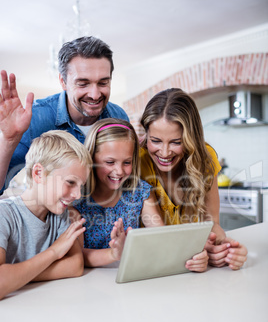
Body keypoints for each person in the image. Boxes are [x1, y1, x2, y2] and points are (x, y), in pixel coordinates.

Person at [70, 118, 209, 272]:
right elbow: (76, 256)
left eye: (127, 162)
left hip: (131, 277)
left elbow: (161, 238)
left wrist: (194, 257)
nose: (119, 171)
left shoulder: (139, 192)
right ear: (91, 159)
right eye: (110, 162)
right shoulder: (76, 197)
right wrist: (114, 254)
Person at [0, 36, 129, 193]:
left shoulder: (118, 117)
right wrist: (8, 140)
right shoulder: (36, 118)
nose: (95, 95)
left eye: (103, 83)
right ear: (63, 81)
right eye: (83, 84)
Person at [139, 88, 248, 270]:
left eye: (176, 142)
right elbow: (155, 235)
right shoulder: (138, 161)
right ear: (146, 135)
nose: (164, 153)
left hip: (191, 269)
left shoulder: (205, 159)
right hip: (150, 266)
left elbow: (212, 224)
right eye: (155, 140)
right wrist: (192, 251)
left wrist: (225, 249)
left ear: (191, 139)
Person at [0, 130, 92, 300]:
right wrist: (54, 252)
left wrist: (16, 276)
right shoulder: (4, 214)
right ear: (38, 174)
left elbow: (75, 265)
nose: (78, 195)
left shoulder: (59, 214)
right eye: (71, 182)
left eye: (81, 185)